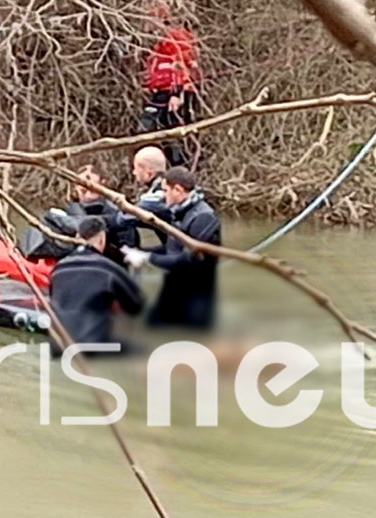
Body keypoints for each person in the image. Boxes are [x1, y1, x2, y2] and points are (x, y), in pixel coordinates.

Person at [121, 166, 221, 330]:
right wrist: (140, 253)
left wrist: (147, 259)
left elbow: (188, 260)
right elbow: (171, 248)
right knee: (151, 327)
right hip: (173, 287)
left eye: (166, 190)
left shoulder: (203, 217)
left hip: (194, 297)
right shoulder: (178, 211)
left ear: (178, 189)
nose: (163, 195)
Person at [47, 216, 145, 357]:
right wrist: (137, 269)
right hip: (92, 347)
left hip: (58, 347)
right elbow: (136, 306)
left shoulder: (58, 269)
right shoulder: (107, 269)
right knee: (142, 349)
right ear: (102, 239)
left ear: (77, 236)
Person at [139, 2, 201, 168]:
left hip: (173, 93)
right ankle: (163, 166)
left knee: (173, 133)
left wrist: (176, 92)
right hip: (161, 92)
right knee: (154, 129)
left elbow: (180, 66)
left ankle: (179, 167)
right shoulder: (158, 41)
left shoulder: (176, 38)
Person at [64, 165, 140, 264]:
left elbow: (129, 246)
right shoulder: (69, 213)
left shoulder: (116, 210)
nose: (84, 185)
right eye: (80, 183)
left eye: (88, 179)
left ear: (102, 183)